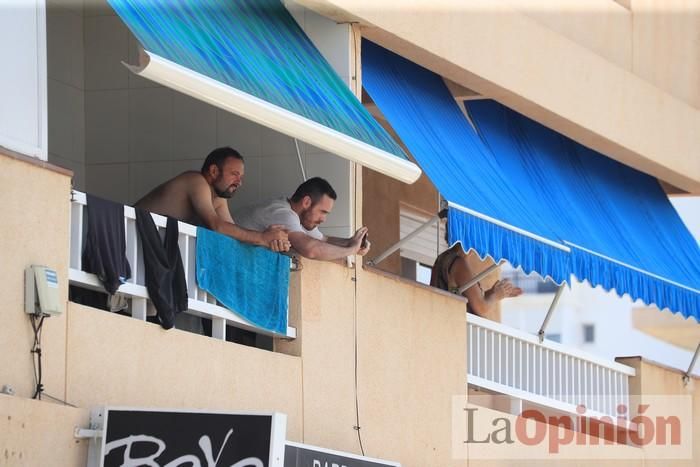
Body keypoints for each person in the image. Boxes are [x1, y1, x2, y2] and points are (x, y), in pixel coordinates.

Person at [135, 147, 290, 252]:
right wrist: (262, 238)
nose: (239, 182)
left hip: (148, 246)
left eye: (241, 177)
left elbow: (230, 231)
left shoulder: (218, 197)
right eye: (234, 174)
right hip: (130, 237)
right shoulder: (196, 181)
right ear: (214, 171)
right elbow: (217, 225)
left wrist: (270, 239)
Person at [235, 177, 370, 261]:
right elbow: (311, 249)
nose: (323, 219)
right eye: (322, 212)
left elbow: (323, 240)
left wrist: (351, 242)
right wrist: (350, 250)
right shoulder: (283, 213)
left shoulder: (299, 218)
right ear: (306, 202)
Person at [431, 242, 522, 318]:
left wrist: (493, 292)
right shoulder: (459, 263)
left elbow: (458, 294)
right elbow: (481, 308)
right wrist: (497, 296)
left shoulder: (443, 259)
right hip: (455, 325)